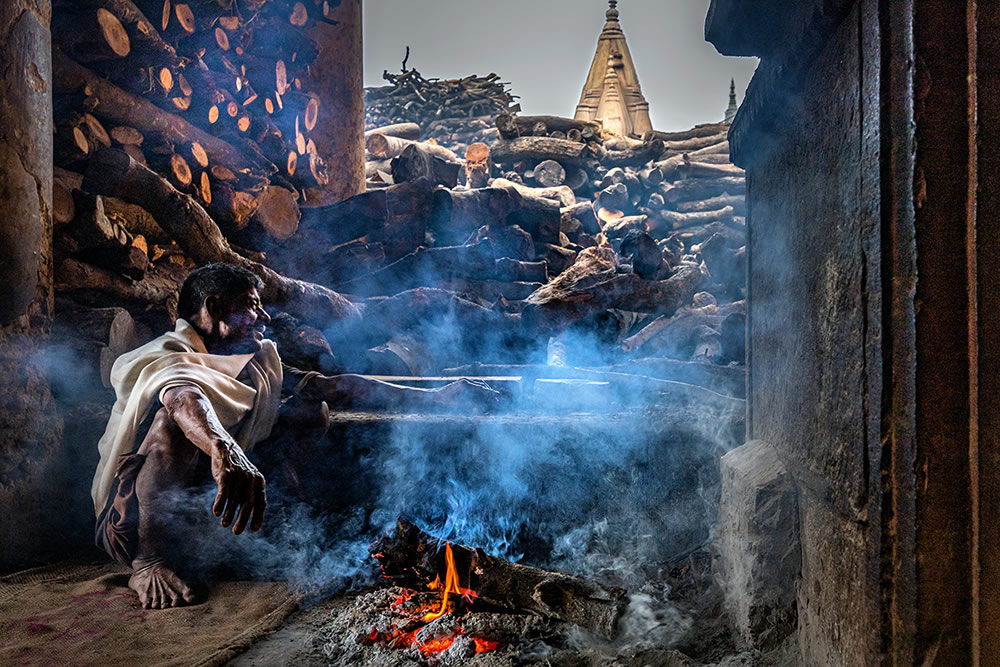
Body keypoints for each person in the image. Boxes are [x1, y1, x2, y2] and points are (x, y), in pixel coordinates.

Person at [91, 263, 497, 609]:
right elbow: (183, 399)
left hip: (207, 510)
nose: (264, 317)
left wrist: (438, 395)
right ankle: (150, 564)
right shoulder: (168, 356)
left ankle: (280, 519)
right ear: (213, 310)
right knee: (170, 427)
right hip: (138, 523)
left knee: (307, 412)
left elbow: (329, 386)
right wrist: (225, 449)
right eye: (252, 307)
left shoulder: (254, 360)